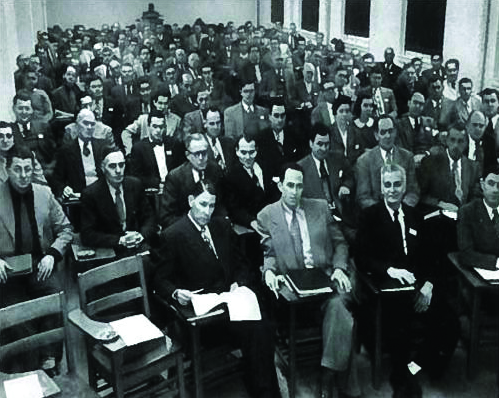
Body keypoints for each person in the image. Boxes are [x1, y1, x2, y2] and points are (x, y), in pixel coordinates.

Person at [154, 181, 281, 398]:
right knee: (258, 333)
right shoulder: (173, 235)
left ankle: (264, 393)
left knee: (263, 328)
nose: (207, 211)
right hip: (202, 318)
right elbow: (159, 280)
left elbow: (242, 264)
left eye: (212, 206)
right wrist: (176, 293)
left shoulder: (221, 226)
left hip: (232, 305)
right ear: (191, 201)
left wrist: (238, 283)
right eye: (202, 204)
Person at [255, 163, 360, 398]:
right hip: (294, 291)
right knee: (342, 314)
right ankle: (341, 383)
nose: (294, 191)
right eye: (289, 185)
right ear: (280, 185)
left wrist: (340, 268)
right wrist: (269, 272)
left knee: (339, 307)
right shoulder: (266, 215)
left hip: (324, 280)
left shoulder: (320, 208)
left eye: (299, 186)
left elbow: (340, 243)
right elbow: (269, 253)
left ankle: (327, 375)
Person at [355, 163, 459, 398]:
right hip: (386, 291)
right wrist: (390, 270)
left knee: (450, 322)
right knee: (399, 326)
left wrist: (429, 286)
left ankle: (418, 366)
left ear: (404, 187)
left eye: (397, 184)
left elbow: (432, 256)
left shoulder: (415, 216)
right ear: (381, 187)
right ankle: (403, 377)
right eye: (387, 185)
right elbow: (361, 257)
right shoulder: (370, 216)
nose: (392, 190)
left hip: (417, 288)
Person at [0, 145, 73, 373]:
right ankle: (26, 368)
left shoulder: (44, 194)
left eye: (28, 170)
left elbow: (66, 229)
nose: (23, 176)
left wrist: (52, 254)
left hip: (39, 264)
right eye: (18, 170)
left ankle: (49, 359)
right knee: (17, 315)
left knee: (54, 298)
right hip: (8, 270)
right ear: (7, 168)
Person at [80, 146, 155, 255]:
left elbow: (149, 217)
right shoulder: (91, 194)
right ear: (103, 167)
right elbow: (87, 234)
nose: (118, 170)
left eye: (121, 165)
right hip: (109, 250)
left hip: (137, 245)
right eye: (112, 166)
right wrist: (119, 240)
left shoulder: (135, 185)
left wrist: (141, 235)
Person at [298, 124, 357, 243]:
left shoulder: (337, 158)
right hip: (318, 223)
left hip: (342, 218)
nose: (324, 148)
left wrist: (346, 186)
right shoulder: (301, 168)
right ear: (311, 143)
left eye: (327, 144)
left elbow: (350, 176)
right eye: (319, 144)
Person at [159, 133, 224, 228]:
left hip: (211, 226)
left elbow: (221, 205)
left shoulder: (215, 170)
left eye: (204, 153)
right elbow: (167, 217)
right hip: (185, 228)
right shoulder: (175, 177)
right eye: (197, 154)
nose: (201, 158)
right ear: (187, 155)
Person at [356, 114, 419, 209]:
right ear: (376, 135)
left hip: (404, 211)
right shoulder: (364, 161)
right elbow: (364, 198)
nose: (388, 136)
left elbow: (413, 191)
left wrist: (403, 209)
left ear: (396, 132)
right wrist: (386, 214)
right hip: (378, 215)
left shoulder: (407, 157)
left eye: (390, 131)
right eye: (383, 132)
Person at [52, 109, 109, 199]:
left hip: (101, 196)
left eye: (92, 124)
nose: (89, 127)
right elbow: (57, 179)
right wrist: (64, 188)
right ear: (77, 125)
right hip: (78, 196)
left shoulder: (103, 147)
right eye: (85, 123)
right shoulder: (66, 150)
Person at [458, 165, 499, 270]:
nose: (495, 190)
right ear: (482, 185)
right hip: (479, 277)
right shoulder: (468, 212)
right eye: (491, 183)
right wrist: (496, 263)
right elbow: (466, 254)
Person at [129, 110, 181, 189]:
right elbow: (136, 176)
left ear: (165, 127)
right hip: (152, 192)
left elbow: (180, 169)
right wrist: (157, 184)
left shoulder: (174, 144)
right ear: (148, 126)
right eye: (155, 126)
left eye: (161, 127)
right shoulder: (139, 148)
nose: (158, 131)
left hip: (174, 188)